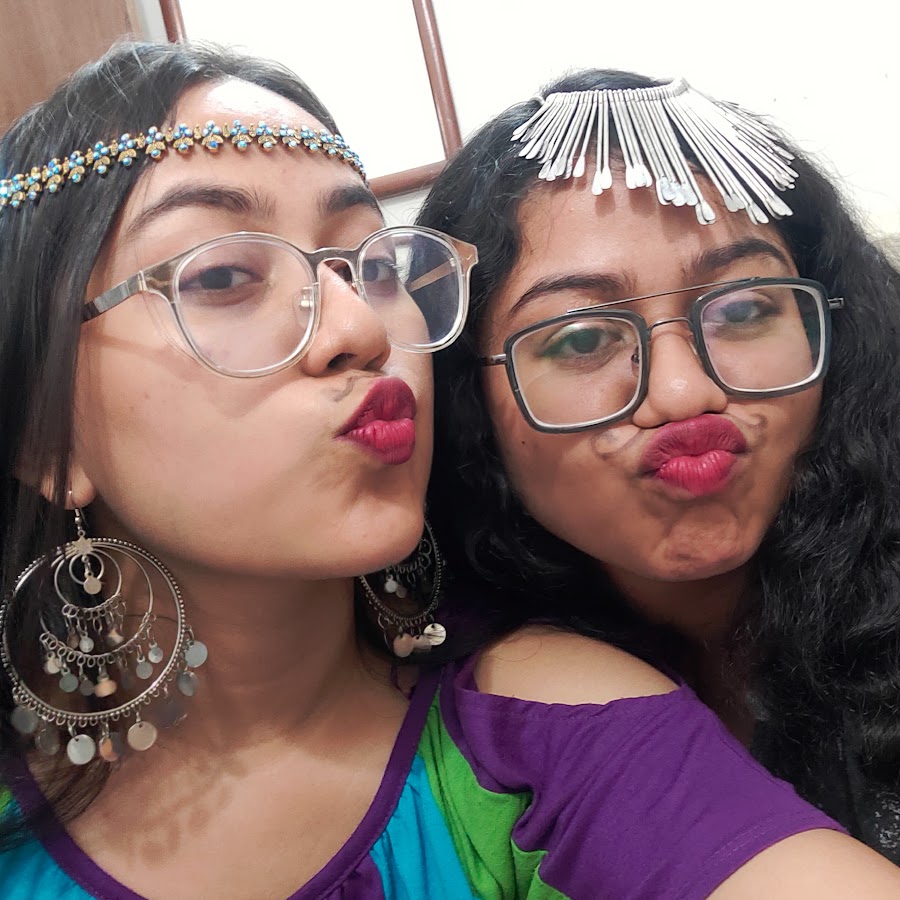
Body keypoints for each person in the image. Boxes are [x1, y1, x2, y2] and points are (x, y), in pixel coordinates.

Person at [0, 43, 898, 900]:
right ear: (43, 434)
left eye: (372, 266)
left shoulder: (541, 724)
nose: (362, 328)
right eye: (225, 275)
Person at [421, 67, 900, 864]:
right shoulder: (456, 695)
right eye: (581, 338)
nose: (683, 393)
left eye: (743, 309)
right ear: (470, 404)